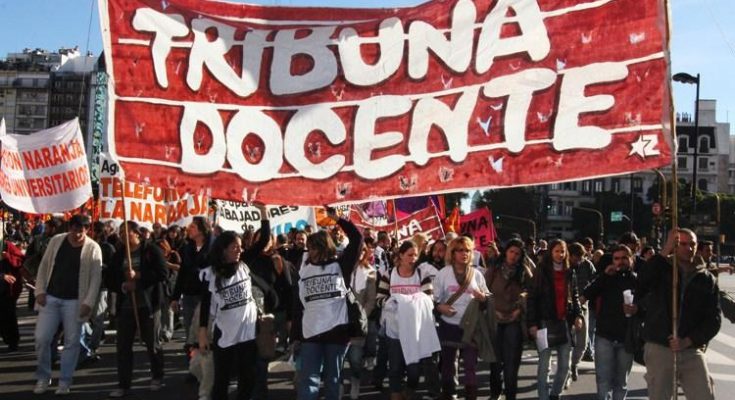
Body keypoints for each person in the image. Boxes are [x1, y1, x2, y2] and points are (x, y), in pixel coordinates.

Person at [637, 229, 720, 400]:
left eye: (692, 244)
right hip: (660, 346)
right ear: (675, 246)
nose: (689, 248)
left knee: (704, 395)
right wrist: (665, 250)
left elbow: (713, 320)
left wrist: (689, 340)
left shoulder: (706, 278)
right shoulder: (661, 268)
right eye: (683, 244)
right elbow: (642, 281)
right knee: (660, 396)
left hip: (691, 349)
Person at [198, 231, 278, 400]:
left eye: (241, 247)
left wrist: (264, 217)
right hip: (225, 332)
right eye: (235, 247)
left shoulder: (243, 263)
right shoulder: (210, 274)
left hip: (247, 331)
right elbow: (205, 304)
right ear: (223, 249)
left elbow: (263, 240)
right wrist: (202, 332)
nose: (239, 250)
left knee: (248, 377)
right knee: (222, 379)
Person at [294, 208, 363, 400]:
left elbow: (357, 239)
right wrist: (295, 335)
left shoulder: (341, 266)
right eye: (309, 248)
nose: (310, 251)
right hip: (310, 333)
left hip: (336, 333)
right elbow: (298, 303)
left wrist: (338, 218)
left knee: (333, 379)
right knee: (308, 380)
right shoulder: (304, 269)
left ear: (325, 247)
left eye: (314, 247)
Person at [32, 215, 102, 395]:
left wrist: (88, 302)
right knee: (42, 338)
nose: (78, 234)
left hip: (75, 301)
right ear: (69, 227)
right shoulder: (56, 241)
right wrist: (39, 291)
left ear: (87, 230)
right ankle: (43, 377)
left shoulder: (93, 248)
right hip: (51, 297)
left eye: (82, 230)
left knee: (71, 342)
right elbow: (44, 266)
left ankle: (64, 381)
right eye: (75, 229)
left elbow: (95, 278)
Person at [107, 221, 167, 398]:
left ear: (137, 233)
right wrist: (123, 285)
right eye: (120, 233)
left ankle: (157, 376)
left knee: (152, 344)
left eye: (126, 232)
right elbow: (110, 278)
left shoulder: (151, 250)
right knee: (123, 346)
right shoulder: (119, 254)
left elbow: (162, 273)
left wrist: (140, 277)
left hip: (148, 305)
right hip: (126, 306)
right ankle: (123, 384)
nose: (123, 236)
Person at [376, 241, 434, 400]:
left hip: (415, 330)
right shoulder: (389, 274)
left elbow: (430, 299)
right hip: (394, 329)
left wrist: (412, 301)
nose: (413, 258)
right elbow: (379, 299)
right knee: (395, 366)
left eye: (415, 255)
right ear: (401, 256)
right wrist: (392, 301)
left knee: (414, 369)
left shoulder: (422, 274)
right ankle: (395, 393)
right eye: (410, 255)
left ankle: (410, 388)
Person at [434, 236, 490, 400]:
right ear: (452, 253)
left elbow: (488, 297)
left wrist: (483, 298)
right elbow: (433, 299)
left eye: (467, 250)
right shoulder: (443, 274)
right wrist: (441, 308)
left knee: (470, 364)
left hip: (470, 326)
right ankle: (449, 393)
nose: (464, 254)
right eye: (460, 250)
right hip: (448, 325)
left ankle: (471, 395)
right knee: (448, 364)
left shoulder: (477, 274)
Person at [527, 239, 583, 400]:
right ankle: (543, 396)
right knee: (544, 364)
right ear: (551, 252)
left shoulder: (570, 272)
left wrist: (578, 315)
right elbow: (532, 297)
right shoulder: (541, 270)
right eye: (557, 251)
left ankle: (555, 394)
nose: (560, 254)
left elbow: (575, 295)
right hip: (544, 322)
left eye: (562, 251)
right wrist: (532, 323)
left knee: (565, 365)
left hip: (564, 322)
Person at [581, 244, 638, 400]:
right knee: (603, 381)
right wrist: (604, 276)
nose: (620, 261)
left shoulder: (637, 281)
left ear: (631, 259)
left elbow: (647, 305)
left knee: (621, 382)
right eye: (616, 258)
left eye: (624, 258)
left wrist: (637, 308)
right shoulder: (606, 278)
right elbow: (587, 293)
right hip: (604, 336)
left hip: (626, 338)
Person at [487, 239, 533, 400]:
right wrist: (494, 310)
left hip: (514, 320)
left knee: (511, 365)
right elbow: (484, 291)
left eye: (517, 253)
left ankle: (510, 395)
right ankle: (495, 393)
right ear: (505, 252)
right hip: (495, 320)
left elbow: (532, 291)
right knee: (495, 363)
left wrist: (520, 308)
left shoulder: (524, 271)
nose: (514, 256)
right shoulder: (494, 269)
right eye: (511, 251)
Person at [171, 217, 211, 360]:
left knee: (205, 329)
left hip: (205, 296)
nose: (189, 229)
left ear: (202, 230)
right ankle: (193, 362)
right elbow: (182, 273)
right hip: (188, 295)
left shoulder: (212, 247)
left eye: (193, 227)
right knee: (190, 331)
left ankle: (207, 362)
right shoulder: (187, 248)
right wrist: (175, 297)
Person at [345, 243, 377, 400]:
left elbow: (371, 300)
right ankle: (338, 385)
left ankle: (355, 381)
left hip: (358, 322)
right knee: (338, 358)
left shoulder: (370, 272)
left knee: (355, 358)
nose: (360, 253)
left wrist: (362, 316)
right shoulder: (342, 269)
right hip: (340, 321)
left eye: (363, 250)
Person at [568, 242, 596, 381]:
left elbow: (595, 282)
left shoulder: (587, 265)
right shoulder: (564, 266)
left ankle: (574, 364)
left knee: (583, 343)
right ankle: (566, 369)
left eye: (581, 257)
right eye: (576, 257)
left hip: (583, 305)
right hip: (567, 307)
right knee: (567, 342)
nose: (579, 260)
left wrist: (587, 295)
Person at [0, 239, 24, 352]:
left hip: (6, 290)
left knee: (8, 316)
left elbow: (20, 260)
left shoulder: (6, 245)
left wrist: (8, 257)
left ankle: (12, 342)